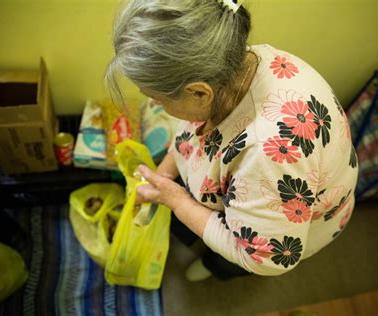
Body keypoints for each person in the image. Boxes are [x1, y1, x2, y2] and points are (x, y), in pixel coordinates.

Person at [106, 0, 358, 281]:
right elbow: (192, 129)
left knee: (231, 260)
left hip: (272, 234)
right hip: (265, 189)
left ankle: (217, 267)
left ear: (199, 93)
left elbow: (265, 259)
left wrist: (176, 200)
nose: (154, 103)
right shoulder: (234, 64)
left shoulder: (267, 154)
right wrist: (164, 174)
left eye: (158, 98)